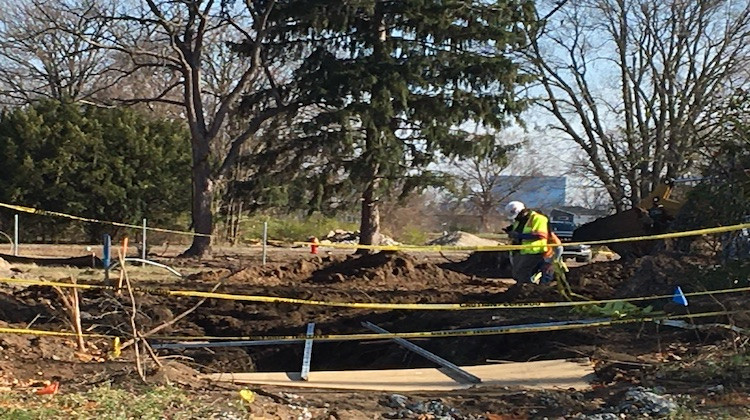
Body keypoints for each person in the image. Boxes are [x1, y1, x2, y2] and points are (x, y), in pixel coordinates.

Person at [503, 201, 553, 285]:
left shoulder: (538, 218)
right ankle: (527, 289)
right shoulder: (519, 221)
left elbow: (541, 235)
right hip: (521, 251)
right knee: (517, 274)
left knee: (522, 273)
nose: (516, 218)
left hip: (534, 251)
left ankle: (528, 290)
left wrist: (519, 235)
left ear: (522, 211)